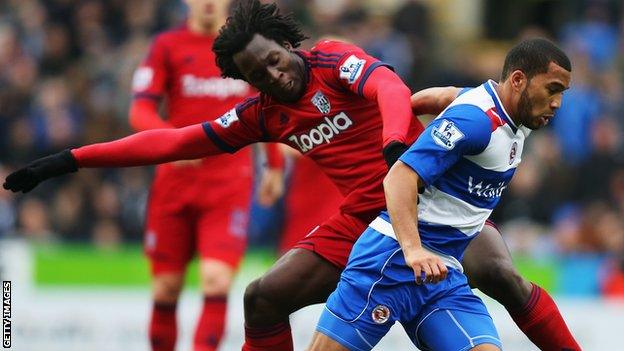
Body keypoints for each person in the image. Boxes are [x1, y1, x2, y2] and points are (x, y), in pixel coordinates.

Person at [3, 1, 580, 350]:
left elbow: (387, 88)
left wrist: (396, 147)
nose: (274, 75)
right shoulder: (264, 115)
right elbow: (172, 140)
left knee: (503, 276)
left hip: (427, 203)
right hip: (365, 221)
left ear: (285, 43)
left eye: (274, 59)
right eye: (258, 75)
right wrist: (70, 160)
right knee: (262, 298)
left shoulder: (332, 58)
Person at [308, 38, 571, 351]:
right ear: (518, 80)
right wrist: (413, 250)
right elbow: (399, 178)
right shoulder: (475, 122)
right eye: (552, 90)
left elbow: (442, 96)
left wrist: (402, 113)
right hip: (389, 261)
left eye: (561, 94)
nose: (556, 103)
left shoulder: (509, 112)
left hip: (442, 274)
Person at [127, 1, 282, 350]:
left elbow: (266, 106)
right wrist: (169, 140)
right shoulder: (167, 46)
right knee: (165, 288)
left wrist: (272, 163)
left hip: (228, 185)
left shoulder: (245, 47)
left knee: (216, 281)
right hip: (174, 185)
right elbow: (139, 109)